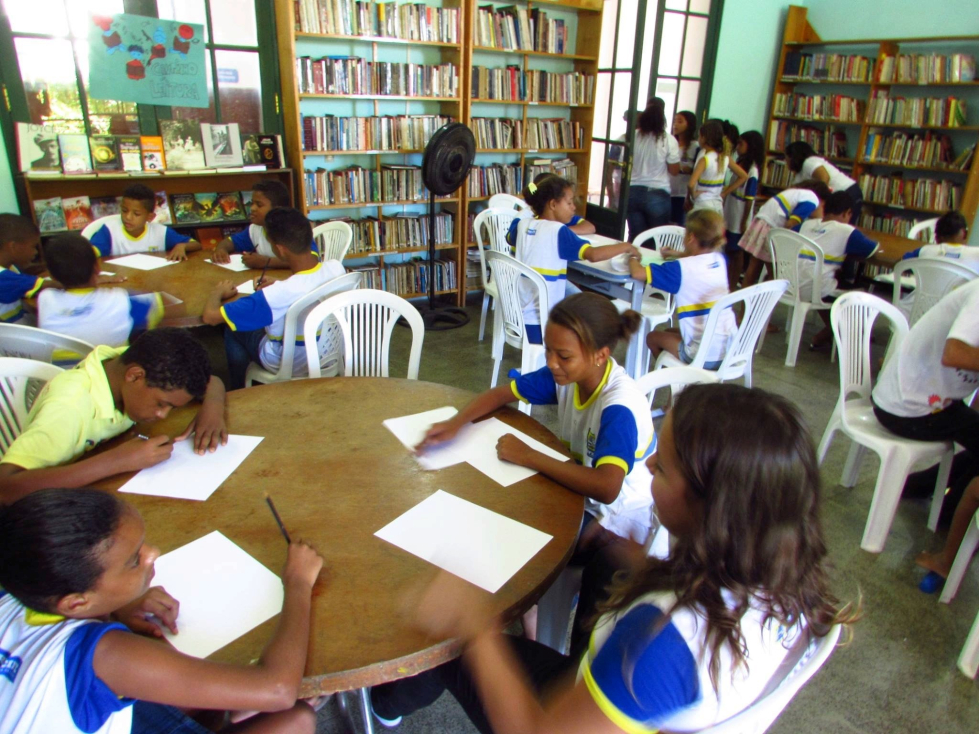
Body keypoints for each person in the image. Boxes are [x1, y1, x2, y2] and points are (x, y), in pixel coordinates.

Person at [370, 383, 855, 733]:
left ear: (711, 508)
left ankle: (383, 706)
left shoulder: (660, 644)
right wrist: (631, 553)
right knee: (604, 564)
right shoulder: (789, 579)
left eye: (661, 468)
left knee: (443, 648)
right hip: (641, 709)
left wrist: (475, 623)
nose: (646, 466)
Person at [0, 488, 321, 734]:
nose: (153, 553)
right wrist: (297, 583)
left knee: (201, 691)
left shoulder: (18, 591)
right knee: (295, 718)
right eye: (134, 560)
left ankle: (230, 707)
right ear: (77, 602)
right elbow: (277, 689)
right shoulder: (106, 655)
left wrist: (115, 607)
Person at [418, 293, 656, 548]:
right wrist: (456, 423)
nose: (551, 363)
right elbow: (501, 393)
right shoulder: (567, 376)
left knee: (516, 537)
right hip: (584, 496)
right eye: (548, 350)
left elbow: (607, 487)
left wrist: (528, 455)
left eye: (563, 356)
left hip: (622, 520)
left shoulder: (618, 407)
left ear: (600, 355)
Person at [0, 329, 228, 504]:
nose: (162, 415)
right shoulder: (68, 409)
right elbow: (6, 488)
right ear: (135, 376)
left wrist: (213, 408)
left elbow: (211, 381)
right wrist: (116, 461)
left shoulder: (124, 364)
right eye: (161, 404)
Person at [872, 278, 979, 541]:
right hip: (910, 406)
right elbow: (954, 354)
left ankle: (918, 487)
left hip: (931, 401)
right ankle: (950, 521)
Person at [203, 207, 345, 390]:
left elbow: (210, 317)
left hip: (289, 362)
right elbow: (304, 286)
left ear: (280, 249)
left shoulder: (276, 295)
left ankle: (237, 390)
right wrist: (279, 283)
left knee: (232, 328)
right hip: (327, 352)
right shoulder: (336, 268)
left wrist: (217, 292)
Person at [508, 175, 639, 345]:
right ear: (553, 204)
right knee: (586, 326)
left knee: (579, 303)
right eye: (569, 203)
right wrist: (626, 246)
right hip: (544, 325)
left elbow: (510, 238)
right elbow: (593, 255)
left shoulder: (523, 224)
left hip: (519, 317)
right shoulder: (558, 231)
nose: (574, 208)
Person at [631, 209, 736, 370]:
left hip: (703, 355)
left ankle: (679, 380)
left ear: (691, 237)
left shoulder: (679, 269)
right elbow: (698, 263)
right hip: (729, 348)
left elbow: (637, 273)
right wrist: (677, 254)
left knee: (652, 337)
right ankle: (682, 376)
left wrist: (632, 257)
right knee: (669, 332)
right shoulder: (720, 260)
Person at [38, 233, 165, 360]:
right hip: (106, 375)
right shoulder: (121, 300)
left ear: (52, 276)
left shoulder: (45, 298)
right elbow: (162, 305)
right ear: (97, 267)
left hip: (59, 375)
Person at [797, 191, 878, 350]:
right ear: (848, 213)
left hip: (793, 285)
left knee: (825, 279)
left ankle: (832, 330)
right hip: (817, 289)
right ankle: (848, 333)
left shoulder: (806, 224)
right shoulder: (846, 231)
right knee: (860, 290)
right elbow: (873, 250)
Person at [738, 179, 830, 292]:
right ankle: (764, 304)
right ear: (821, 200)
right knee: (776, 274)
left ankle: (744, 308)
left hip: (760, 223)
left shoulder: (797, 192)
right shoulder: (812, 200)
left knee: (752, 269)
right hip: (771, 230)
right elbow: (790, 224)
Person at [88, 184, 200, 261]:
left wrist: (182, 246)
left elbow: (197, 245)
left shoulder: (161, 232)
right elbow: (89, 254)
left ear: (150, 217)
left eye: (136, 214)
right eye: (124, 210)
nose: (128, 217)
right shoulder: (109, 230)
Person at [626, 97, 680, 240]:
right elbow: (674, 171)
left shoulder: (633, 137)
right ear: (663, 121)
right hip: (658, 193)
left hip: (633, 191)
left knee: (636, 237)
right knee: (658, 238)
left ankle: (633, 261)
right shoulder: (668, 140)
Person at [212, 180, 296, 269]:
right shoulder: (255, 228)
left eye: (259, 205)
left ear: (277, 209)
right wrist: (221, 250)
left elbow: (310, 259)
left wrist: (266, 262)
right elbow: (230, 242)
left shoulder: (297, 228)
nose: (252, 208)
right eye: (252, 203)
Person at [723, 130, 764, 289]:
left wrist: (744, 221)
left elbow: (749, 199)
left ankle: (733, 285)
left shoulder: (752, 170)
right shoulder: (740, 164)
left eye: (741, 144)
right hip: (731, 214)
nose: (737, 147)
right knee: (729, 249)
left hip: (739, 217)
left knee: (737, 252)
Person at [785, 141, 863, 224]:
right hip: (841, 195)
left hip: (848, 192)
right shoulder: (800, 173)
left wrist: (819, 199)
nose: (785, 161)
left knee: (841, 228)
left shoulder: (809, 162)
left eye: (786, 157)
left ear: (792, 157)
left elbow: (825, 177)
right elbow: (793, 190)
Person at [0, 213, 52, 325]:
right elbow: (47, 284)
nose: (36, 252)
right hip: (11, 338)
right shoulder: (3, 277)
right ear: (13, 247)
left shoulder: (9, 268)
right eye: (33, 247)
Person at [687, 120, 747, 215]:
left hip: (703, 205)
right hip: (717, 204)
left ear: (703, 138)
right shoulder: (724, 157)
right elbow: (744, 176)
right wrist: (724, 193)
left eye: (699, 136)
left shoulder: (704, 159)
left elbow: (691, 184)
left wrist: (693, 194)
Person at [902, 211, 978, 274]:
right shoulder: (976, 255)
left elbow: (901, 264)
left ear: (937, 237)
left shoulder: (923, 251)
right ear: (964, 233)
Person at [669, 110, 699, 225]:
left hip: (682, 194)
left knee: (680, 227)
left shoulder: (694, 146)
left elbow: (696, 171)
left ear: (689, 125)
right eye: (675, 121)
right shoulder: (671, 143)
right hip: (668, 191)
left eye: (680, 121)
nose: (675, 125)